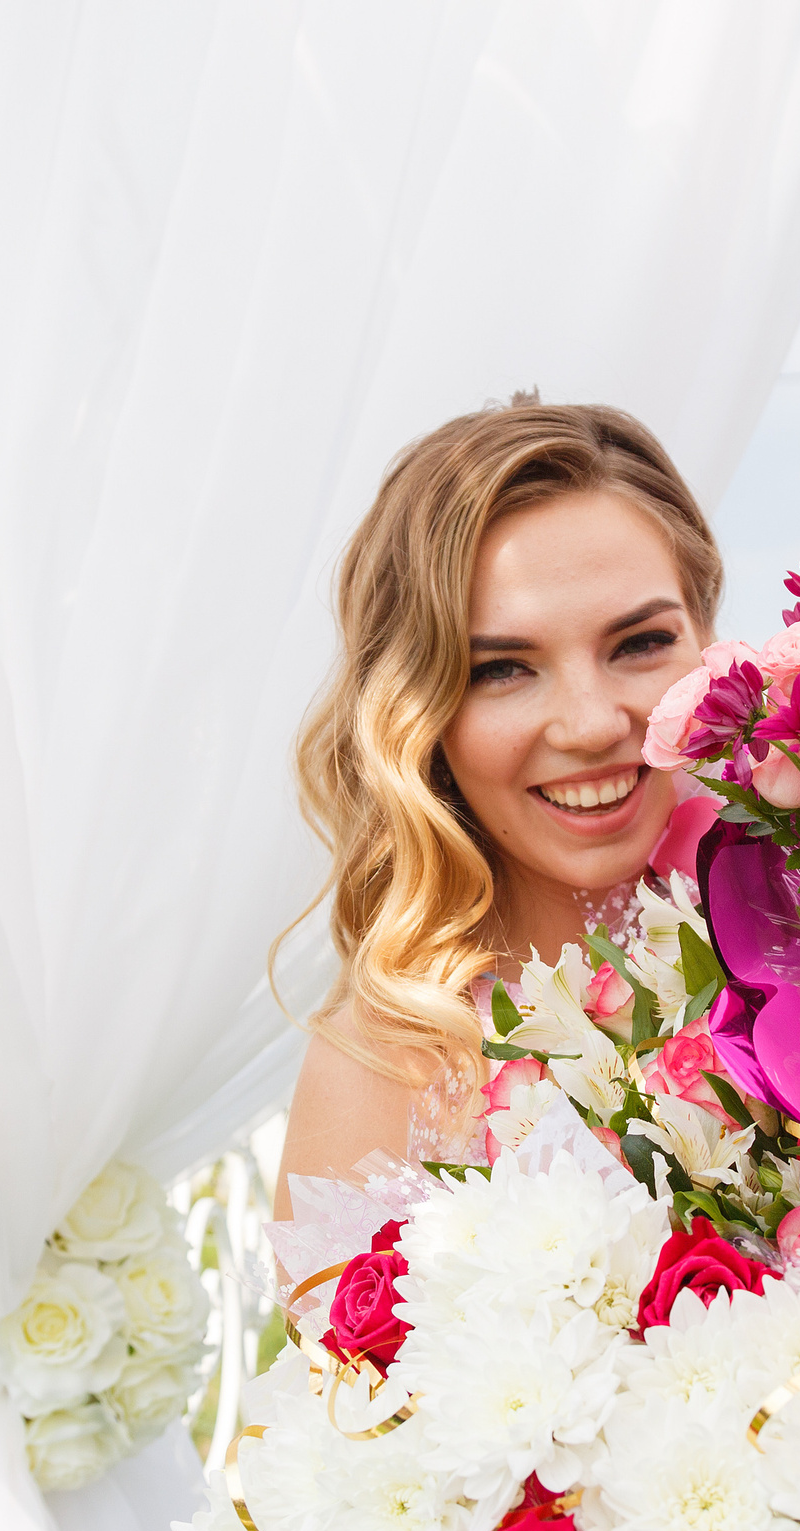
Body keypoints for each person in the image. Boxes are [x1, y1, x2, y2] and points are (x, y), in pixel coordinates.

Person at [277, 396, 718, 1209]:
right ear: (418, 715)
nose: (591, 724)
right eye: (502, 669)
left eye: (642, 643)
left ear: (705, 639)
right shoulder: (381, 1072)